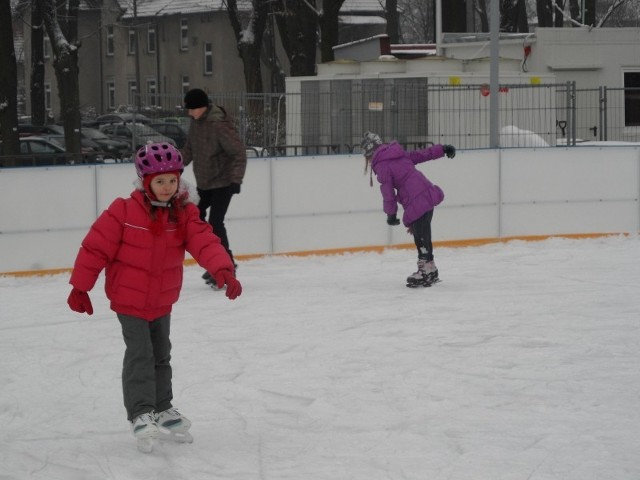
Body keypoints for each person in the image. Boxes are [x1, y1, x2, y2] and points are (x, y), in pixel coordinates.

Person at [66, 142, 242, 451]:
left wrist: (223, 269)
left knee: (161, 354)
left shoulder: (184, 213)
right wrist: (81, 286)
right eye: (159, 181)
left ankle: (162, 407)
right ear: (145, 181)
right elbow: (95, 247)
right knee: (140, 355)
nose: (167, 187)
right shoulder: (123, 210)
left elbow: (205, 241)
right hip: (128, 299)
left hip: (161, 300)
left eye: (172, 180)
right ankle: (141, 412)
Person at [361, 131, 456, 287]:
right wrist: (443, 149)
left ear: (370, 153)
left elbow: (388, 194)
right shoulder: (397, 154)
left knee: (421, 237)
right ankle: (430, 268)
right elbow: (422, 155)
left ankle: (425, 271)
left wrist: (391, 214)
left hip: (416, 200)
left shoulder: (382, 165)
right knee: (423, 234)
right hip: (426, 192)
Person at [181, 88, 247, 286]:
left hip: (223, 182)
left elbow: (238, 152)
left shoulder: (218, 125)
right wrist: (172, 166)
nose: (189, 113)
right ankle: (215, 262)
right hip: (205, 183)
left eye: (192, 109)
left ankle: (227, 265)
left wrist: (236, 179)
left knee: (216, 222)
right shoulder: (196, 124)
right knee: (196, 218)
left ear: (201, 107)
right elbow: (189, 150)